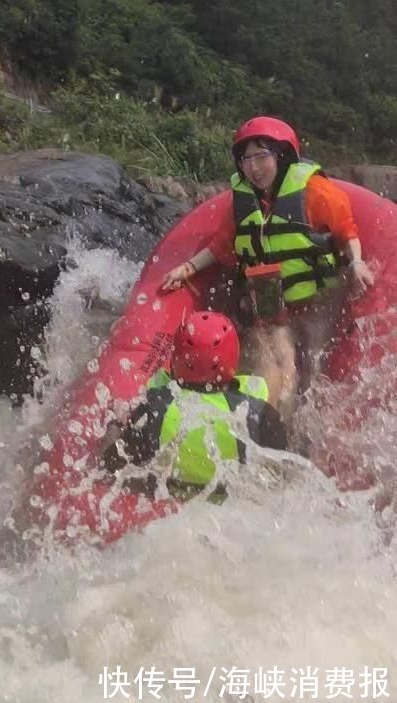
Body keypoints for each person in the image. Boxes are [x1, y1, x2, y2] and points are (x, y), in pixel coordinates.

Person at [161, 117, 374, 422]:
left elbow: (346, 231)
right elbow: (224, 244)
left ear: (282, 155)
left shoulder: (316, 192)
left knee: (313, 362)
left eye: (262, 156)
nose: (254, 168)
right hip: (269, 296)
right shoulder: (243, 203)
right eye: (246, 159)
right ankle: (269, 426)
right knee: (277, 359)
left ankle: (298, 424)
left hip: (316, 297)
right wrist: (188, 267)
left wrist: (356, 263)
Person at [102, 311, 287, 503]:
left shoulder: (154, 408)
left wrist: (116, 423)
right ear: (233, 358)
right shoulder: (259, 415)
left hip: (167, 505)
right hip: (231, 510)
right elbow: (278, 477)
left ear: (177, 357)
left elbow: (110, 465)